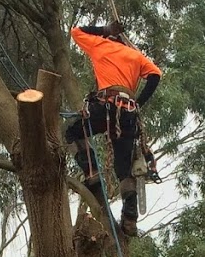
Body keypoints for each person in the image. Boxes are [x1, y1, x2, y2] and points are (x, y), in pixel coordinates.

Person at [66, 19, 162, 236]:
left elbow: (75, 31)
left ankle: (91, 172)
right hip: (128, 113)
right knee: (124, 169)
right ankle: (130, 220)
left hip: (105, 107)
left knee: (73, 132)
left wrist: (104, 30)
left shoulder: (100, 44)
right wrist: (138, 103)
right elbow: (156, 76)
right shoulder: (136, 56)